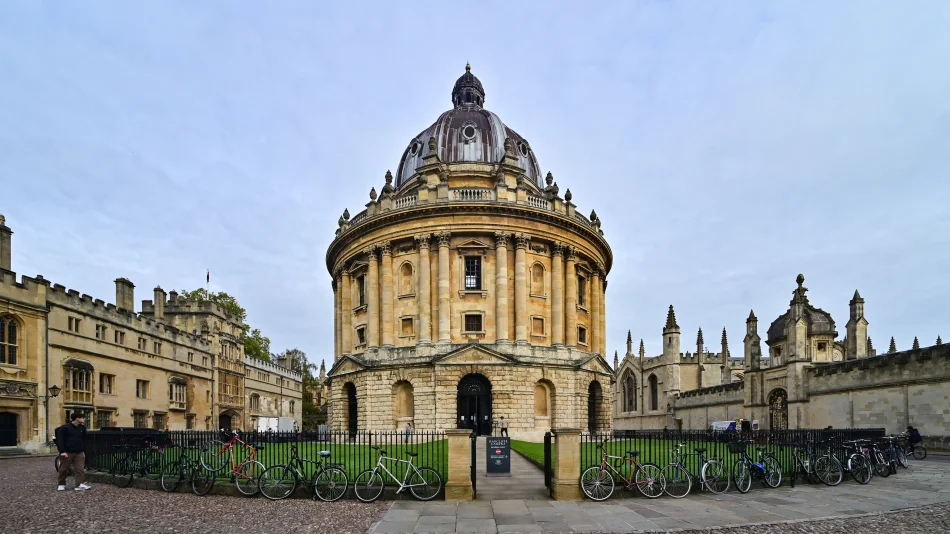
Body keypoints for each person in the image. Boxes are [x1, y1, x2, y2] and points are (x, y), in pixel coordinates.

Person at [56, 412, 91, 491]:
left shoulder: (82, 428)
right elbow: (60, 440)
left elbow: (84, 439)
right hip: (67, 452)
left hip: (79, 452)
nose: (84, 419)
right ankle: (61, 484)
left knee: (80, 469)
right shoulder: (65, 428)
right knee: (64, 469)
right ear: (77, 418)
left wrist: (83, 449)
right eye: (82, 417)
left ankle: (79, 484)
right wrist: (62, 451)